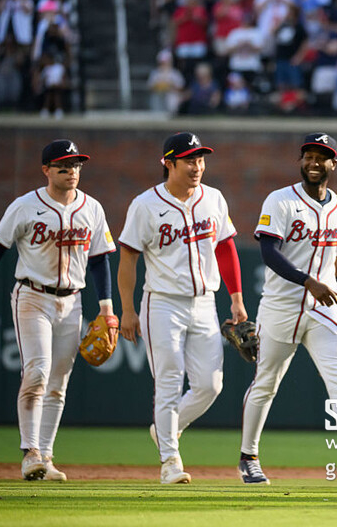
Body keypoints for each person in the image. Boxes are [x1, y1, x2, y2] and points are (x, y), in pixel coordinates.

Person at [0, 140, 117, 481]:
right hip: (33, 296)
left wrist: (107, 308)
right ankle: (29, 452)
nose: (71, 171)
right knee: (37, 372)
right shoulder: (25, 206)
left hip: (72, 301)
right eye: (63, 166)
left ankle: (45, 457)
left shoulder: (92, 207)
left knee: (59, 383)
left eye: (75, 165)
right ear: (46, 170)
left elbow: (100, 260)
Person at [240, 133, 337, 487]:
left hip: (326, 309)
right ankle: (249, 457)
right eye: (309, 155)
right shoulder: (280, 201)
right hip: (281, 304)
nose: (314, 162)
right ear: (300, 161)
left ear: (333, 164)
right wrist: (308, 281)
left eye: (322, 156)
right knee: (266, 384)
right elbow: (269, 253)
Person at [118, 132, 248, 484]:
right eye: (189, 159)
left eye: (201, 159)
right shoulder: (145, 205)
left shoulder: (214, 198)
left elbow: (225, 248)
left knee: (210, 384)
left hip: (205, 301)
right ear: (169, 163)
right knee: (169, 380)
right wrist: (127, 309)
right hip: (161, 303)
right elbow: (128, 256)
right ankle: (170, 461)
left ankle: (166, 430)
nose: (197, 166)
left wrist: (236, 298)